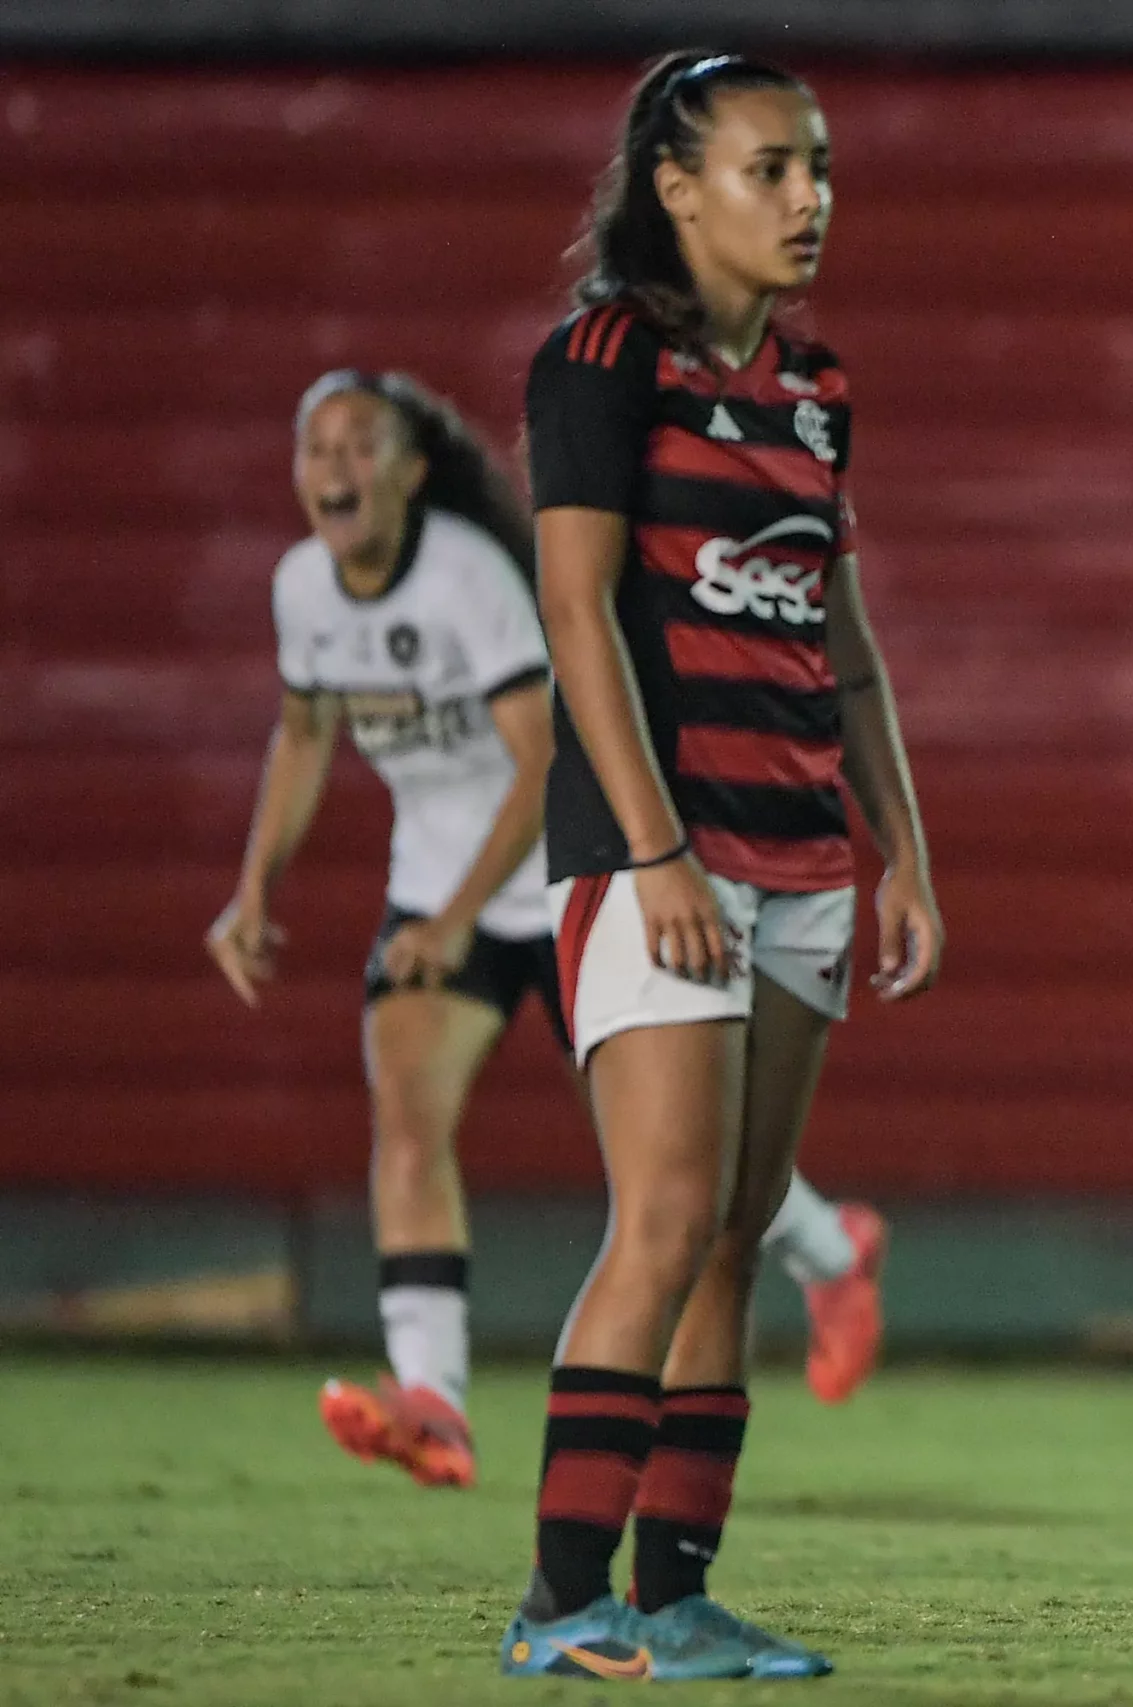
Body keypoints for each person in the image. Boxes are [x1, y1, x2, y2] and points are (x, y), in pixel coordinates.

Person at [206, 370, 891, 1502]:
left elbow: (538, 763)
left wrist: (455, 917)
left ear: (410, 470)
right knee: (409, 1122)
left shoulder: (469, 580)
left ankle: (833, 1251)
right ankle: (433, 1399)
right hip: (440, 899)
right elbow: (302, 732)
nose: (332, 470)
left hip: (571, 884)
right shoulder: (301, 589)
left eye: (357, 447)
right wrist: (253, 889)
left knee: (675, 1174)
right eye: (313, 447)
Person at [502, 50, 942, 1682]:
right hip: (663, 852)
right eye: (769, 168)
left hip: (806, 852)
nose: (808, 196)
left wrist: (901, 851)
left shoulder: (817, 390)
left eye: (816, 165)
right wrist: (659, 850)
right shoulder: (603, 356)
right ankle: (560, 1603)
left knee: (741, 1227)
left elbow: (844, 643)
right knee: (667, 1211)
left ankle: (674, 1593)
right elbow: (576, 615)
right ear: (675, 189)